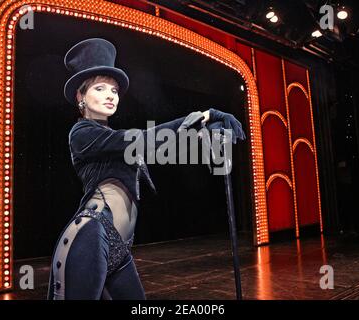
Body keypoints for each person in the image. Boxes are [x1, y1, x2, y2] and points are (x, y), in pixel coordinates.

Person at [47, 38, 246, 300]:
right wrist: (203, 115)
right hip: (91, 237)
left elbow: (160, 147)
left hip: (120, 248)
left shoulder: (112, 138)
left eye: (114, 90)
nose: (110, 95)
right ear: (80, 96)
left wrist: (203, 135)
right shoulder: (82, 133)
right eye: (100, 88)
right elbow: (144, 139)